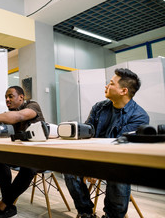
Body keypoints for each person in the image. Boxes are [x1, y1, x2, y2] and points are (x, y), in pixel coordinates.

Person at [64, 68, 149, 218]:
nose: (106, 86)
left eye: (110, 83)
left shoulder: (139, 116)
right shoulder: (99, 107)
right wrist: (92, 162)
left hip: (118, 161)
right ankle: (85, 212)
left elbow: (122, 147)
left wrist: (100, 164)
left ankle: (112, 216)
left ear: (123, 91)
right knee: (69, 168)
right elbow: (86, 134)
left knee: (119, 172)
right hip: (95, 157)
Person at [0, 86, 45, 218]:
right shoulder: (8, 114)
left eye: (10, 96)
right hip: (21, 155)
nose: (7, 99)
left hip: (40, 155)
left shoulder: (32, 106)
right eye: (6, 97)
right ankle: (8, 206)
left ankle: (3, 205)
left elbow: (19, 116)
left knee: (28, 168)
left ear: (21, 97)